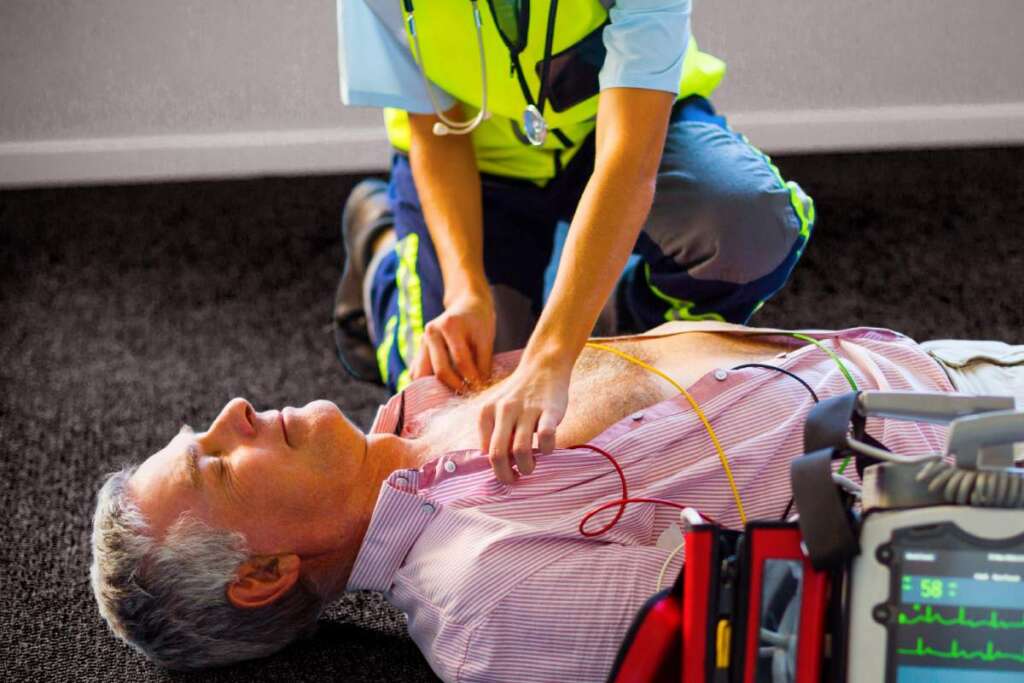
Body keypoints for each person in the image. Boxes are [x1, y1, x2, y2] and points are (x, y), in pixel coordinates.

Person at [91, 322, 1024, 679]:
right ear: (263, 572)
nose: (235, 410)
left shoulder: (427, 392)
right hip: (972, 486)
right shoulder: (486, 599)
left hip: (940, 365)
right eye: (215, 461)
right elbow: (802, 626)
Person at [332, 0, 816, 472]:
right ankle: (380, 236)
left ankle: (610, 324)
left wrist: (552, 357)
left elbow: (628, 164)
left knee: (751, 229)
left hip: (615, 133)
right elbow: (438, 123)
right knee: (444, 401)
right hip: (478, 161)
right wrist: (465, 294)